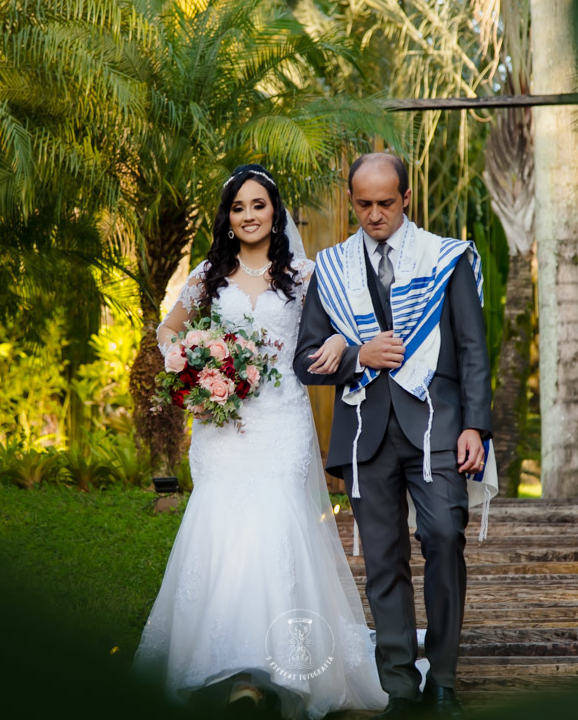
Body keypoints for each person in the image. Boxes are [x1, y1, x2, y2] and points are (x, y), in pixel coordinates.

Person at [131, 164, 389, 719]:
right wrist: (197, 363)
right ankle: (239, 674)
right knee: (223, 527)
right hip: (223, 427)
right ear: (227, 218)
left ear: (276, 212)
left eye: (258, 206)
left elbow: (346, 321)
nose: (248, 216)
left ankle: (274, 667)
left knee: (275, 525)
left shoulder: (305, 274)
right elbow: (168, 330)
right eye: (238, 208)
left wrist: (342, 341)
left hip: (281, 422)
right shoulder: (208, 276)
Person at [293, 153, 494, 719]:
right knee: (382, 560)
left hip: (438, 426)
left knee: (444, 537)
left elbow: (473, 347)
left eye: (386, 202)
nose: (375, 214)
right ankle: (401, 689)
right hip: (366, 434)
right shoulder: (331, 270)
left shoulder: (445, 258)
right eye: (364, 204)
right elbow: (307, 362)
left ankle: (445, 682)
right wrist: (357, 353)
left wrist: (476, 425)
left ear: (406, 198)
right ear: (351, 201)